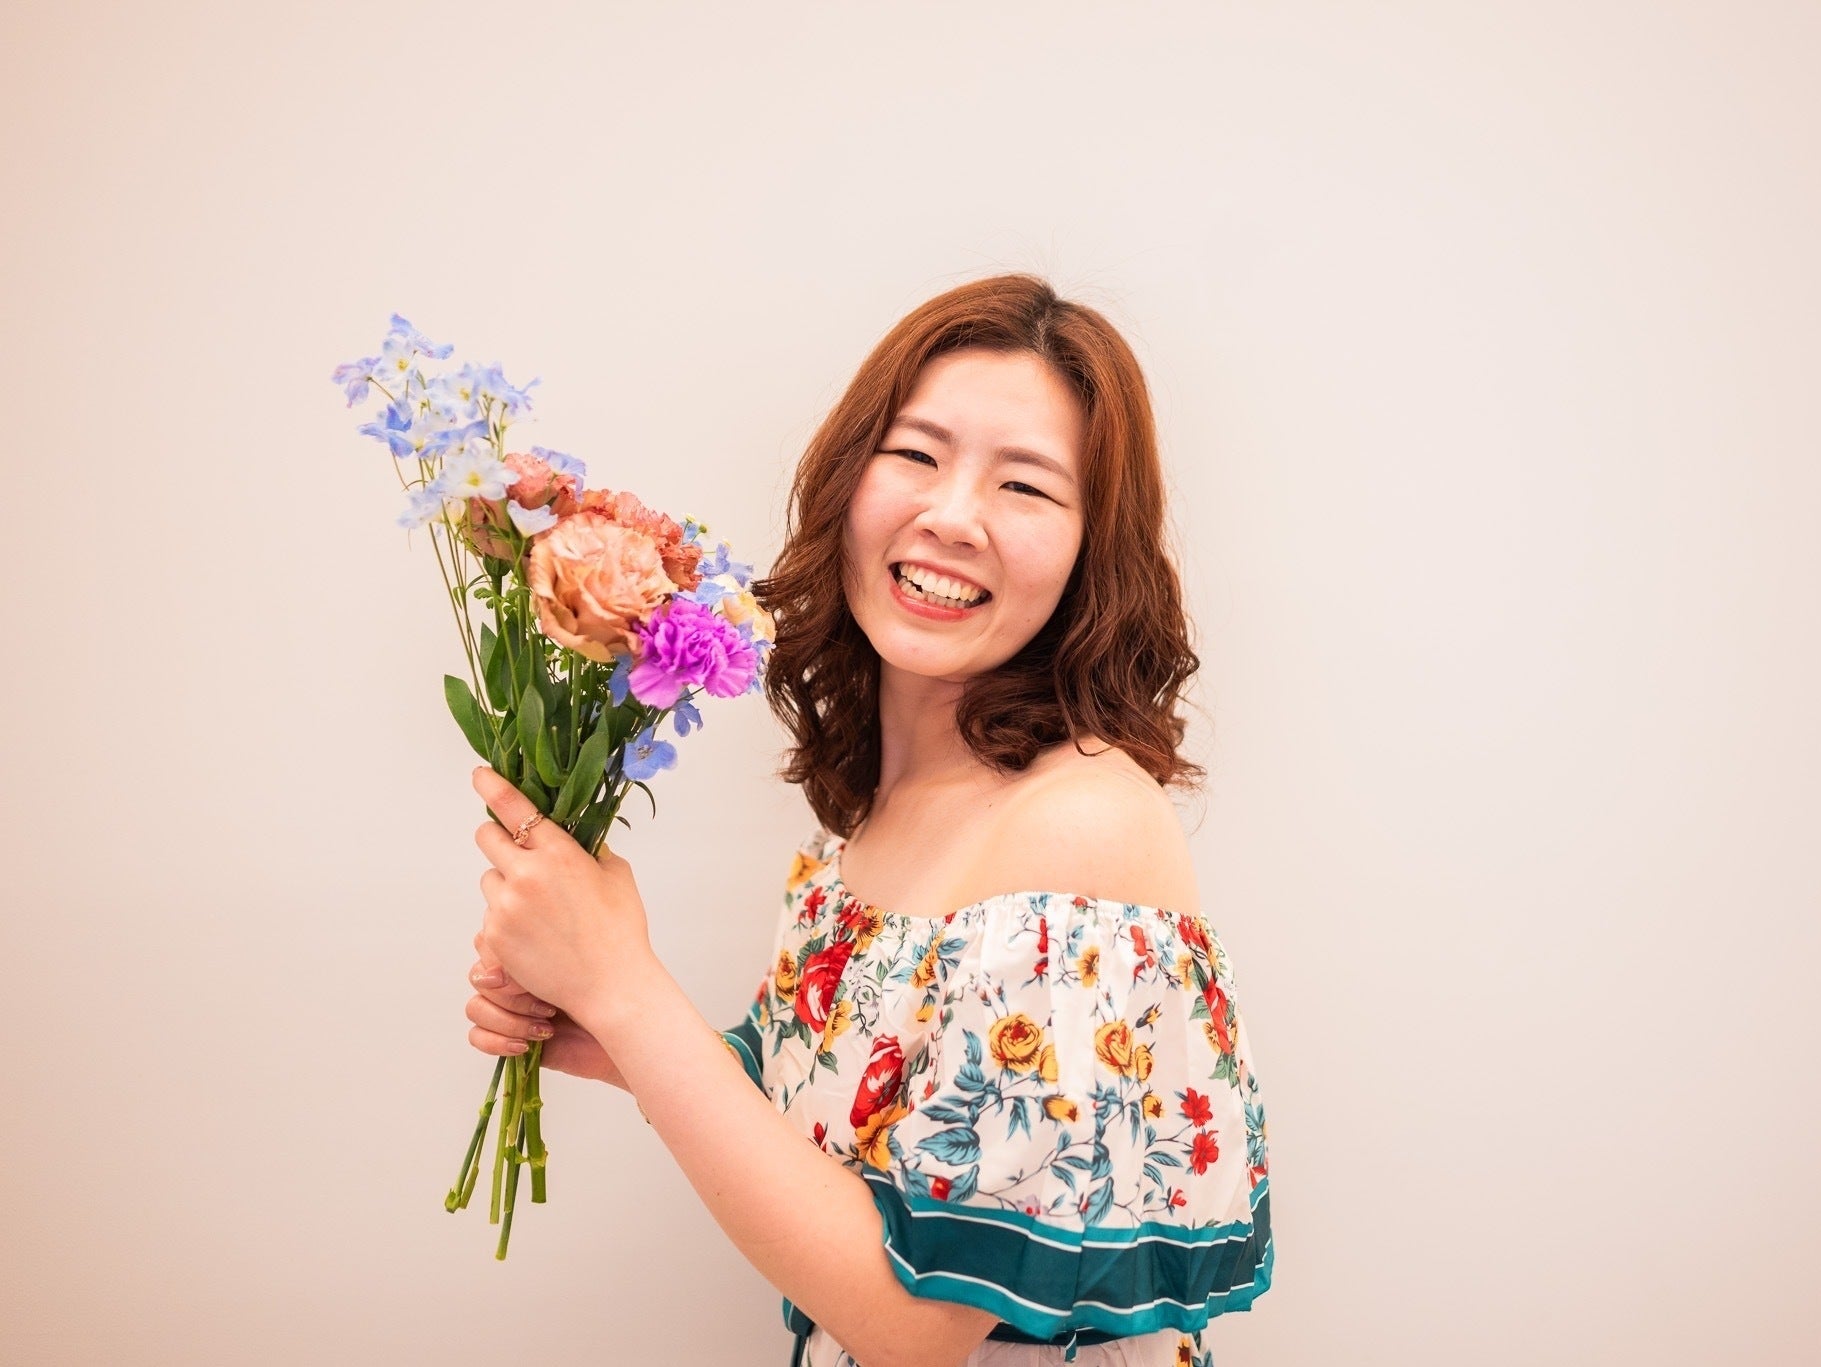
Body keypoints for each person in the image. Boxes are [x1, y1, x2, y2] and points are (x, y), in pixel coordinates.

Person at [462, 274, 1273, 1367]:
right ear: (847, 478)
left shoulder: (1078, 826)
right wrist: (624, 1041)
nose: (953, 515)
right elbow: (849, 1143)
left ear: (1092, 550)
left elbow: (915, 1321)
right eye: (916, 454)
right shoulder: (888, 800)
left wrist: (624, 985)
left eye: (1025, 484)